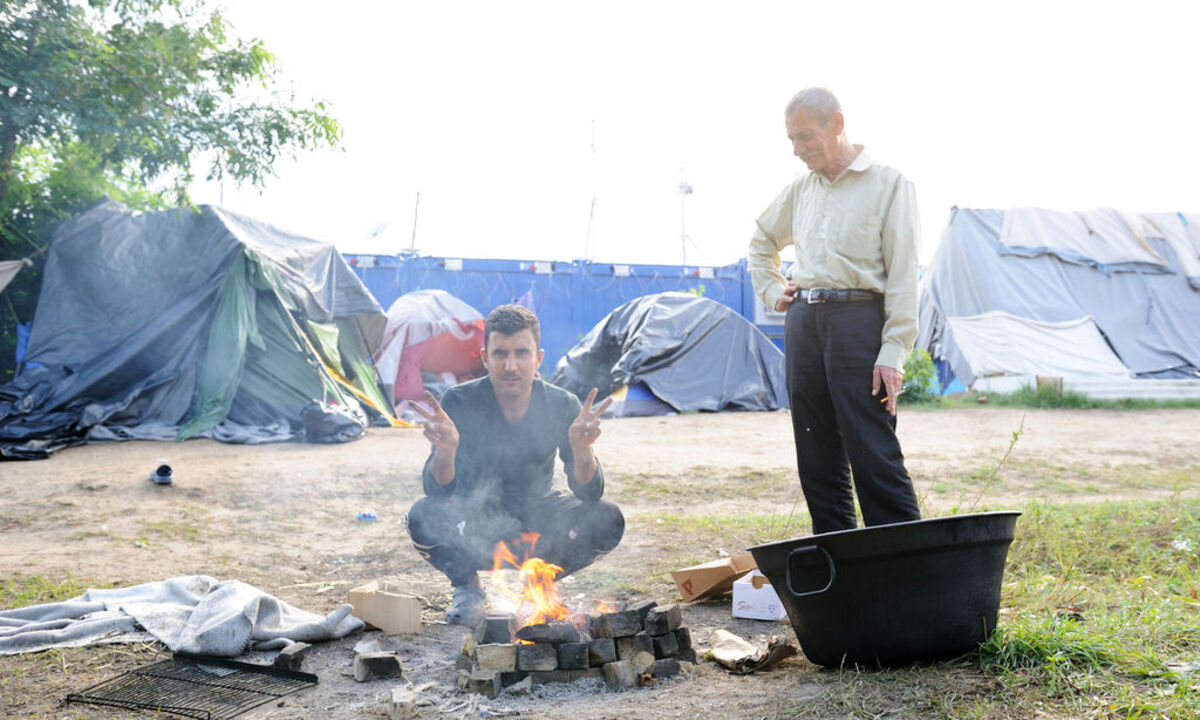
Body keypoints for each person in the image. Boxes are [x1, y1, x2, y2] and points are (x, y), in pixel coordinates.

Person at [746, 87, 922, 534]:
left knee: (872, 450)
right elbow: (761, 242)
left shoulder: (890, 185)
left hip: (858, 322)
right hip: (804, 322)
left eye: (805, 136)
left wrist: (893, 352)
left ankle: (906, 561)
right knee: (815, 455)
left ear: (837, 124)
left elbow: (904, 277)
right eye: (791, 139)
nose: (797, 149)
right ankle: (839, 559)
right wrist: (773, 290)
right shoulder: (800, 189)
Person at [405, 304, 625, 625]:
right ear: (484, 358)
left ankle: (539, 585)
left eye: (521, 353)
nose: (511, 366)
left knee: (608, 518)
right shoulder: (458, 401)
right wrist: (445, 451)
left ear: (538, 358)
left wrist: (583, 451)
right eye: (500, 354)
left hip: (540, 521)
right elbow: (437, 489)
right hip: (477, 524)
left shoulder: (562, 404)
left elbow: (589, 492)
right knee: (422, 515)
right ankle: (468, 588)